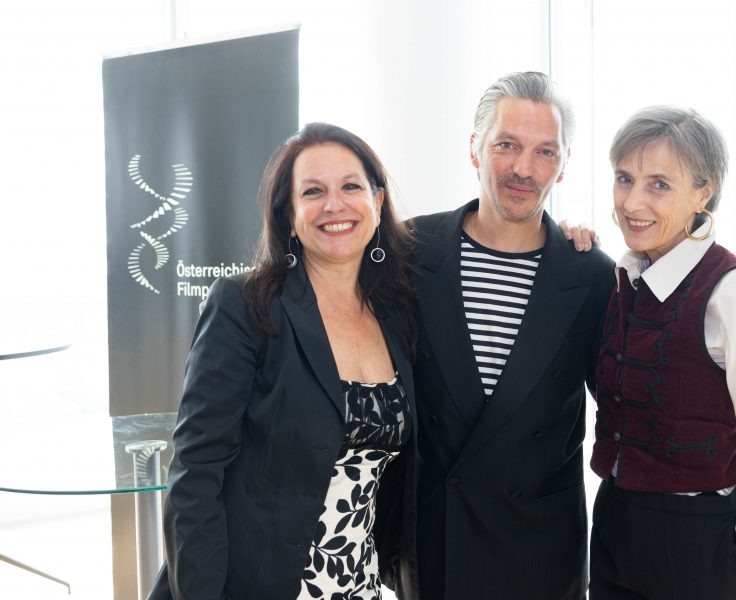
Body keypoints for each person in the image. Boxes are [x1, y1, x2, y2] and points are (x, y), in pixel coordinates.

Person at [148, 123, 419, 600]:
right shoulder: (246, 306)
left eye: (351, 187)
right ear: (289, 217)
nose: (334, 205)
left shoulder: (396, 313)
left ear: (377, 203)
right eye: (313, 191)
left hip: (360, 586)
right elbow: (194, 473)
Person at [588, 106, 736, 599]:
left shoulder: (735, 293)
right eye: (624, 178)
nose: (633, 202)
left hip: (700, 545)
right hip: (615, 529)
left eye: (659, 184)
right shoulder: (625, 278)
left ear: (704, 192)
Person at [404, 71, 617, 600]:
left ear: (564, 165)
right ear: (474, 149)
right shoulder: (409, 251)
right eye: (507, 145)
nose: (524, 169)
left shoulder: (591, 274)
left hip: (541, 554)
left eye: (546, 152)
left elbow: (633, 399)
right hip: (436, 548)